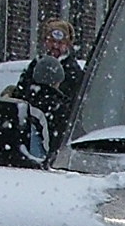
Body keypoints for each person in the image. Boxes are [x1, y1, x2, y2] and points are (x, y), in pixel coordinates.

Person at [7, 17, 84, 155]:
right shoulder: (35, 65)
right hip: (29, 133)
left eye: (60, 43)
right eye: (52, 41)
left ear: (68, 45)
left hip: (55, 138)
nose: (55, 46)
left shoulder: (74, 72)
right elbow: (22, 91)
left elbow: (72, 107)